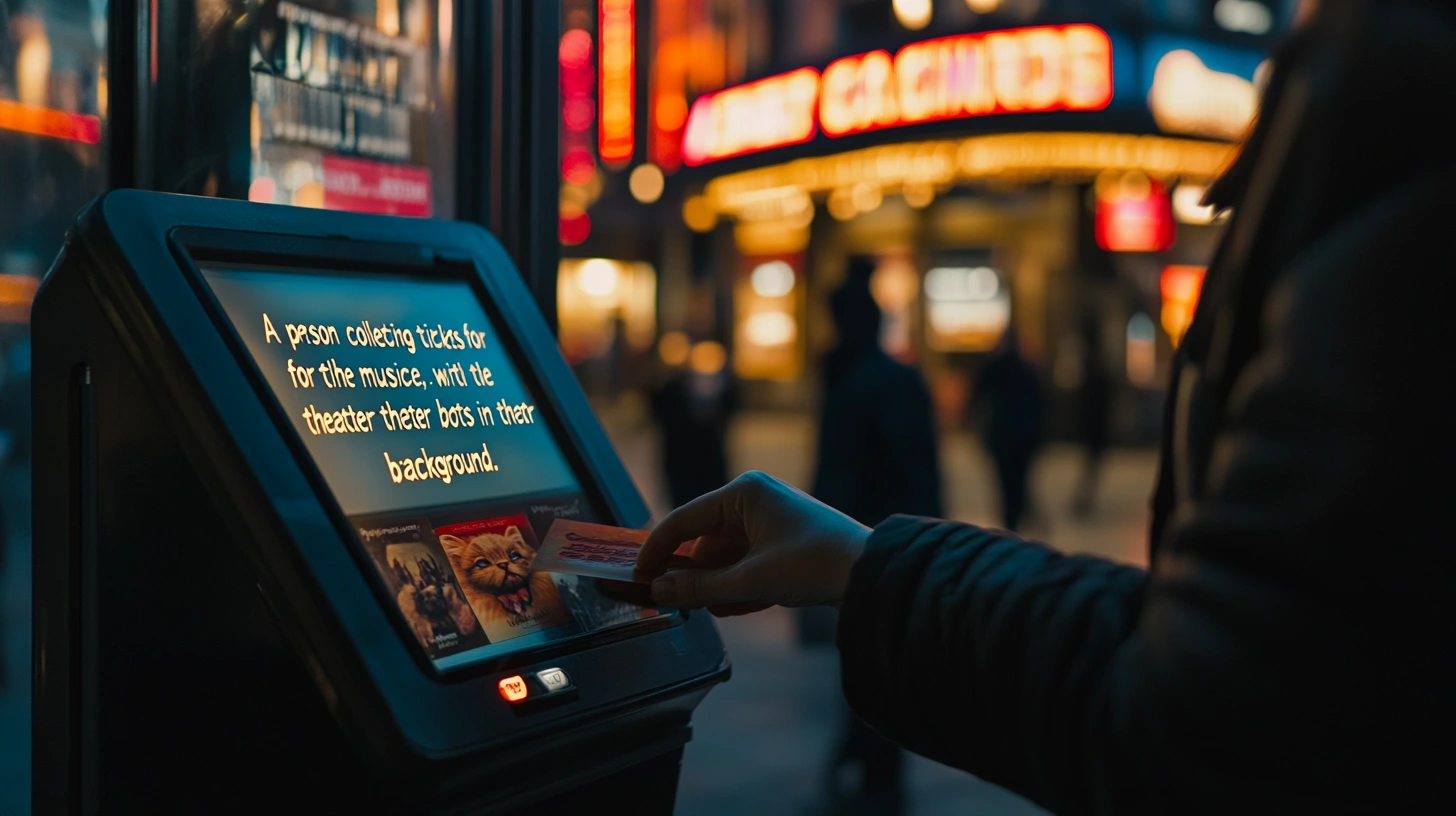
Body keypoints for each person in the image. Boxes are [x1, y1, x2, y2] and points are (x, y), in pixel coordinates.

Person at [634, 2, 1455, 812]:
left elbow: (1235, 717)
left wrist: (871, 571)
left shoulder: (1393, 87)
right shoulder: (1366, 76)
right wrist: (863, 566)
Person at [809, 260, 942, 815]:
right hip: (888, 540)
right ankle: (867, 769)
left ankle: (871, 773)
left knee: (873, 659)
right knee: (876, 659)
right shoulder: (880, 379)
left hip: (871, 542)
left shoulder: (860, 383)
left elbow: (842, 472)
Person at [972, 328, 1044, 531]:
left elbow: (977, 394)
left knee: (1005, 482)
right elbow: (1041, 404)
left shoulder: (995, 365)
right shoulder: (1028, 368)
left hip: (1002, 436)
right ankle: (1015, 516)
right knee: (1019, 481)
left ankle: (1010, 520)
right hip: (1023, 436)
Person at [1070, 315, 1111, 517]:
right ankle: (1082, 502)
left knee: (1090, 468)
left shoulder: (1092, 368)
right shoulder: (1096, 367)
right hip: (1095, 427)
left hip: (1093, 426)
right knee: (1090, 468)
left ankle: (1082, 502)